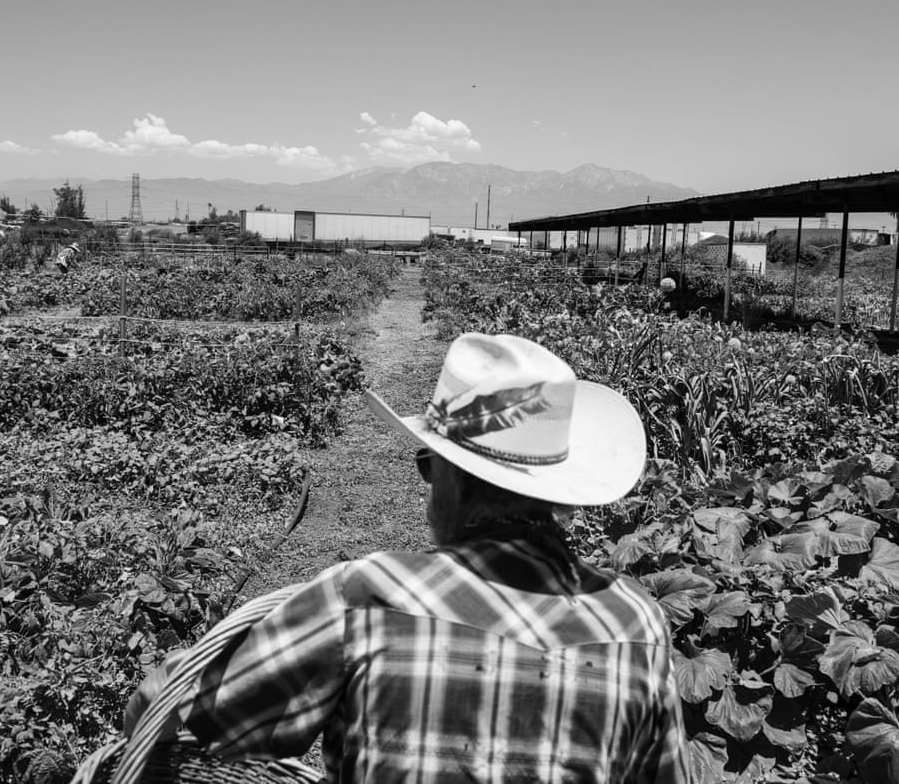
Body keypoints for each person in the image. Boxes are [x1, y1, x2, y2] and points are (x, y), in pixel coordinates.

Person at [124, 332, 690, 782]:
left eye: (428, 468)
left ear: (458, 483)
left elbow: (169, 716)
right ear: (555, 494)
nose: (425, 491)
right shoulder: (636, 623)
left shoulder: (369, 595)